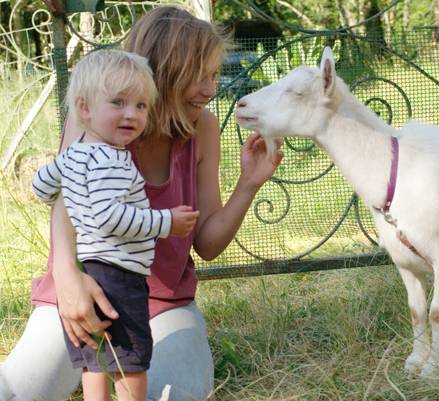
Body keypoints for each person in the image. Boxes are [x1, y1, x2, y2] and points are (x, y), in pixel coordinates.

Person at [0, 6, 283, 401]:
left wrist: (249, 184)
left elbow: (207, 243)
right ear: (163, 72)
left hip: (162, 305)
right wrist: (68, 282)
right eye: (198, 75)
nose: (210, 89)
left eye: (214, 75)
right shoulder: (95, 118)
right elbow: (65, 210)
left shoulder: (203, 128)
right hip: (84, 285)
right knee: (14, 392)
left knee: (169, 396)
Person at [31, 48, 201, 401]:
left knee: (96, 357)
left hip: (91, 268)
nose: (131, 114)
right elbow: (112, 219)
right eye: (119, 102)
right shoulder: (109, 159)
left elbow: (41, 186)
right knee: (131, 358)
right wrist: (166, 221)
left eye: (140, 106)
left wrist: (74, 198)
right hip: (118, 273)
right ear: (84, 109)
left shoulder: (75, 152)